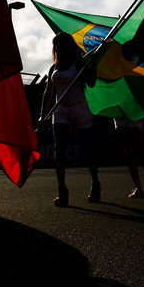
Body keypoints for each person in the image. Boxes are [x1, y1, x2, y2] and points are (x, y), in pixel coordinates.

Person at [40, 32, 100, 207]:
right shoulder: (54, 68)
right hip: (61, 109)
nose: (57, 47)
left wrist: (92, 65)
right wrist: (42, 115)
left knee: (87, 147)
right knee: (59, 149)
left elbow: (91, 83)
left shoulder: (79, 63)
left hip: (79, 107)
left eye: (60, 43)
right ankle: (62, 189)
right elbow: (47, 92)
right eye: (55, 44)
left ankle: (95, 183)